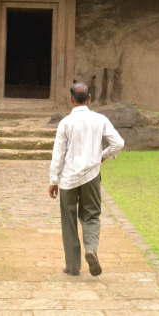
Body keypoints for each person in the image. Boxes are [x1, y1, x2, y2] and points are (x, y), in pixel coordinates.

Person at [48, 82, 124, 277]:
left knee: (69, 220)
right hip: (91, 176)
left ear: (71, 99)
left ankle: (73, 266)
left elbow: (58, 153)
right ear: (89, 98)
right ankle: (91, 249)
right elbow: (118, 143)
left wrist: (53, 179)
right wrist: (103, 155)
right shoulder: (100, 119)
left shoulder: (65, 123)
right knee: (91, 216)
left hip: (68, 179)